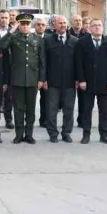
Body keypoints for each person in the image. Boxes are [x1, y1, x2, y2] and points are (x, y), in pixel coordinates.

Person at [0, 13, 45, 144]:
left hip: (32, 79)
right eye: (22, 24)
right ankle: (19, 134)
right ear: (19, 25)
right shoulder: (13, 37)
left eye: (27, 24)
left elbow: (42, 61)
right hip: (17, 79)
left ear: (31, 25)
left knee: (30, 109)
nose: (25, 26)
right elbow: (0, 46)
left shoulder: (38, 39)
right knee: (18, 108)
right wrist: (11, 31)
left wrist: (41, 79)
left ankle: (29, 134)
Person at [75, 19, 107, 144]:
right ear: (90, 28)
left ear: (103, 28)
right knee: (87, 110)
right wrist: (81, 80)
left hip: (104, 83)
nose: (97, 28)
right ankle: (86, 135)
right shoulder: (82, 42)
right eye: (94, 26)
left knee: (104, 111)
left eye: (99, 25)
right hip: (87, 83)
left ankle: (104, 135)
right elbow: (79, 63)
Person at [42, 15, 77, 143]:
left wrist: (78, 79)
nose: (63, 25)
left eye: (64, 23)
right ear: (54, 26)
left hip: (69, 82)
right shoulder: (47, 40)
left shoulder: (74, 41)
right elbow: (44, 61)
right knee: (51, 110)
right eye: (60, 23)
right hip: (52, 82)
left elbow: (78, 63)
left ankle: (66, 133)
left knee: (69, 110)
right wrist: (44, 79)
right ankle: (53, 134)